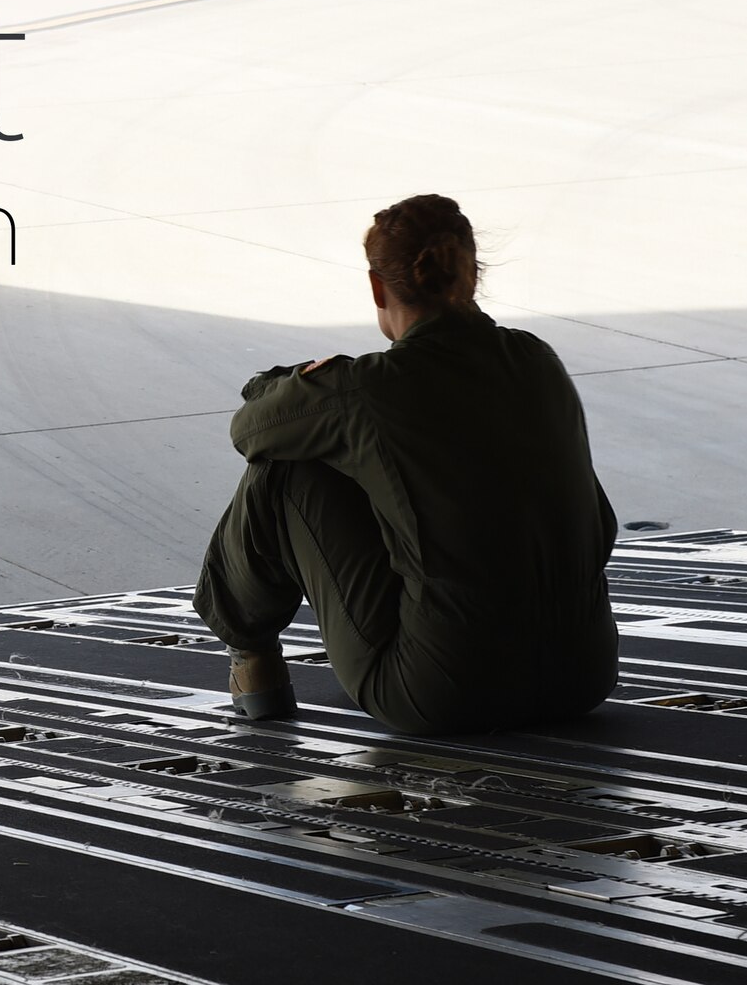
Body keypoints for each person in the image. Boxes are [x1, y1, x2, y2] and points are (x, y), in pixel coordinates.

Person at [191, 194, 618, 735]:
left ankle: (253, 661)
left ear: (377, 286)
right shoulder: (538, 360)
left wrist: (301, 380)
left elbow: (249, 432)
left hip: (442, 694)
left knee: (284, 467)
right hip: (582, 677)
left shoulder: (364, 388)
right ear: (473, 273)